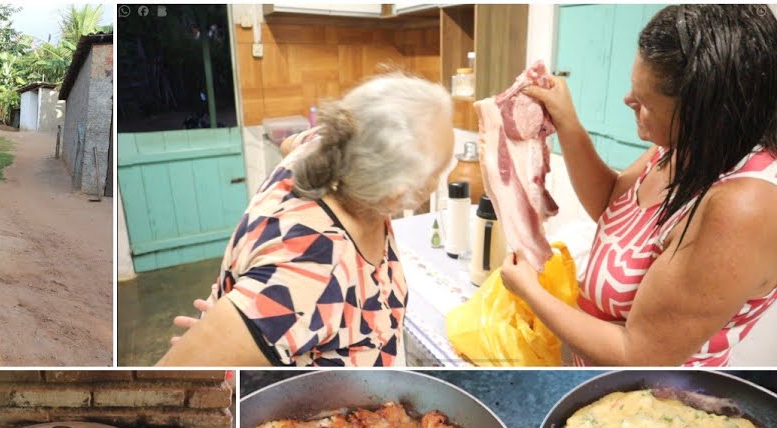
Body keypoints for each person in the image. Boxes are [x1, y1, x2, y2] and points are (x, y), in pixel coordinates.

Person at [500, 4, 777, 366]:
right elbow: (612, 204)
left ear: (703, 114)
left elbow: (639, 352)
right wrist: (566, 119)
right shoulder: (682, 147)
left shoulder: (743, 206)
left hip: (646, 404)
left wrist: (529, 291)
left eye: (644, 101)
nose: (628, 101)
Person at [160, 72, 454, 366]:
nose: (442, 178)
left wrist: (243, 325)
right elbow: (176, 370)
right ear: (394, 192)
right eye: (438, 172)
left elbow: (289, 143)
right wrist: (223, 345)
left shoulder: (330, 150)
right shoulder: (312, 268)